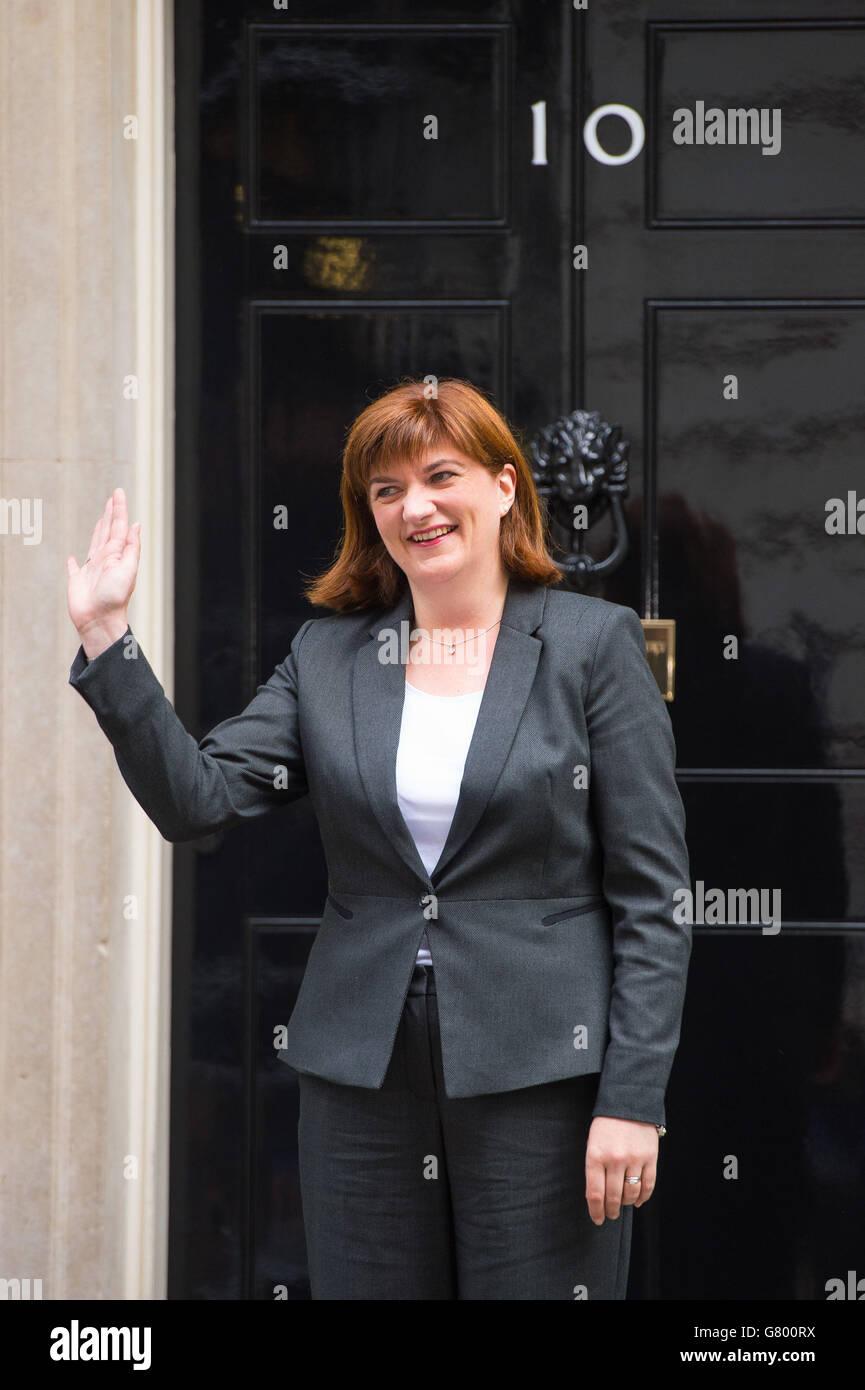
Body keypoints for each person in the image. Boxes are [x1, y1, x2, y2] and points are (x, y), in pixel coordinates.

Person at [66, 376, 691, 1300]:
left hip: (538, 1075)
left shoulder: (592, 645)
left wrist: (631, 1100)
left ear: (505, 486)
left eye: (441, 476)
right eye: (387, 490)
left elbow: (653, 899)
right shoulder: (328, 657)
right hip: (362, 1079)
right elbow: (197, 800)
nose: (417, 507)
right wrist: (108, 634)